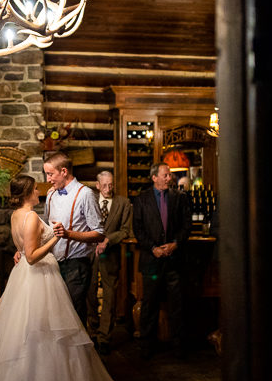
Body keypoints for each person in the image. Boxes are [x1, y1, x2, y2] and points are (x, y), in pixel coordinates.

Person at [0, 175, 122, 381]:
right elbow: (32, 256)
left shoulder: (15, 215)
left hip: (25, 277)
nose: (39, 193)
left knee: (28, 333)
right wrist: (56, 236)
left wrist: (24, 251)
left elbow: (23, 250)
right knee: (44, 333)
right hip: (38, 277)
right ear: (26, 193)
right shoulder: (31, 216)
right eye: (35, 189)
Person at [132, 162, 192, 360]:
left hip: (175, 260)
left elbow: (186, 225)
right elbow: (138, 229)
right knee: (149, 304)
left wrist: (175, 244)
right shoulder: (141, 199)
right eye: (165, 175)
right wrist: (153, 248)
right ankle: (146, 346)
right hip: (152, 260)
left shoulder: (180, 198)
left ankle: (179, 347)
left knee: (178, 305)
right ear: (154, 177)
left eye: (169, 175)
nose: (169, 178)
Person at [41, 151, 105, 324]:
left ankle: (80, 351)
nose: (48, 180)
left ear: (64, 171)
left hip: (77, 265)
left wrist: (69, 234)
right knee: (56, 315)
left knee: (73, 316)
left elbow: (99, 233)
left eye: (50, 174)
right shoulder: (51, 194)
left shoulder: (85, 194)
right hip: (53, 264)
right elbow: (46, 229)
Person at [86, 170, 133, 355]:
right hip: (90, 254)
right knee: (89, 293)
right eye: (104, 185)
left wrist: (108, 240)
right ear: (97, 186)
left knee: (110, 296)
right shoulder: (89, 200)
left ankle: (105, 337)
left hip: (110, 255)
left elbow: (126, 230)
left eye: (111, 184)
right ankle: (93, 331)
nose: (108, 188)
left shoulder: (123, 203)